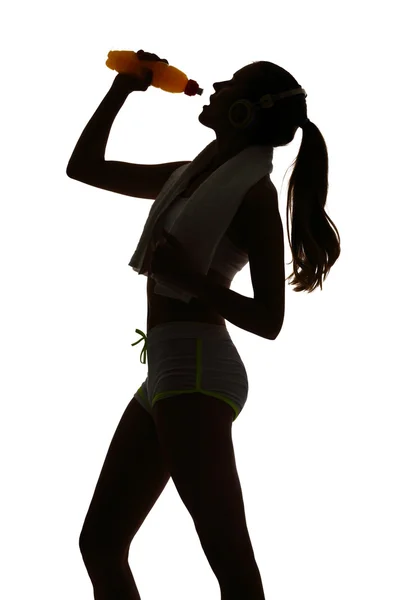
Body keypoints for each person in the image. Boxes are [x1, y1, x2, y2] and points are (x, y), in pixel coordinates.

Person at [69, 54, 341, 600]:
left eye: (232, 83)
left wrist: (188, 279)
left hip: (198, 372)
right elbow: (85, 167)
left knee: (232, 566)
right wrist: (122, 92)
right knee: (100, 544)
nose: (216, 85)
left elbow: (269, 321)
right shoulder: (188, 178)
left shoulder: (255, 196)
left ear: (245, 111)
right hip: (169, 372)